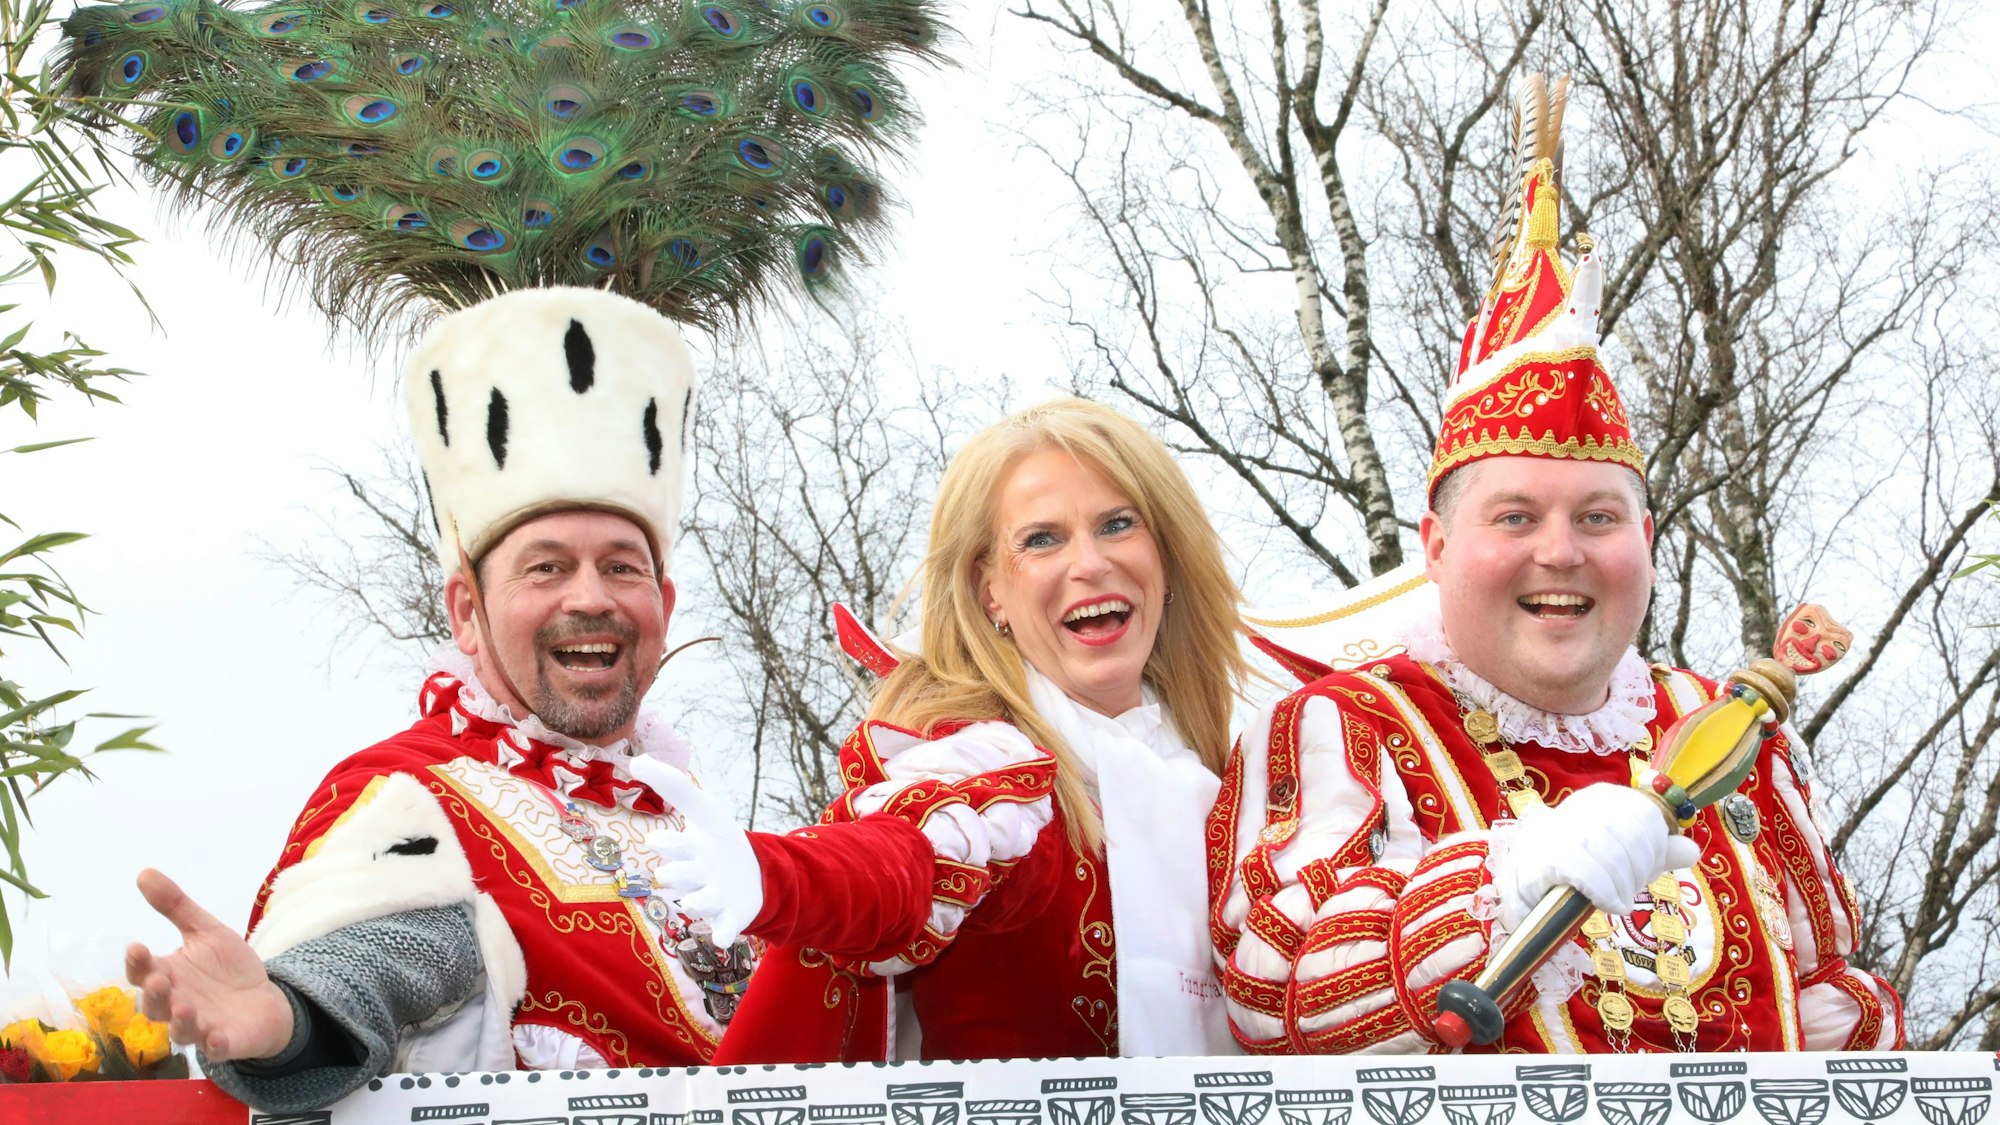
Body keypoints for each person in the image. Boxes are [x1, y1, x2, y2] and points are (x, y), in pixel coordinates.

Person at [1207, 83, 1904, 1055]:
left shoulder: (1739, 741)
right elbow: (1275, 989)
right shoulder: (1343, 729)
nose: (1561, 550)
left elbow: (1829, 994)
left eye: (1596, 517)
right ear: (1436, 547)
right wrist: (1511, 875)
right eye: (1514, 516)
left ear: (1646, 541)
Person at [122, 288, 750, 1111]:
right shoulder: (413, 798)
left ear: (663, 605)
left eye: (623, 566)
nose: (591, 597)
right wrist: (288, 1019)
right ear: (466, 611)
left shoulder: (700, 817)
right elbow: (385, 959)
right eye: (546, 566)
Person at [635, 399, 1252, 1062]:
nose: (1090, 562)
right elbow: (895, 863)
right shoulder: (989, 770)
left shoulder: (1234, 788)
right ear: (990, 592)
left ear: (1164, 554)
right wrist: (775, 874)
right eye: (1042, 538)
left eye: (1117, 524)